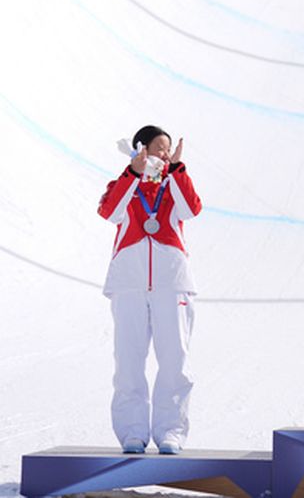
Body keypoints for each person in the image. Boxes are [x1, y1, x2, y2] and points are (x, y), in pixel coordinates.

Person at [98, 125, 202, 454]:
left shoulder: (174, 184)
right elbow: (109, 211)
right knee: (128, 360)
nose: (165, 154)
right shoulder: (123, 184)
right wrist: (133, 174)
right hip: (129, 281)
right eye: (160, 147)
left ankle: (171, 431)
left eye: (169, 149)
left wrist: (177, 171)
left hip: (171, 282)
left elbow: (192, 209)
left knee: (175, 360)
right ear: (141, 148)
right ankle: (132, 431)